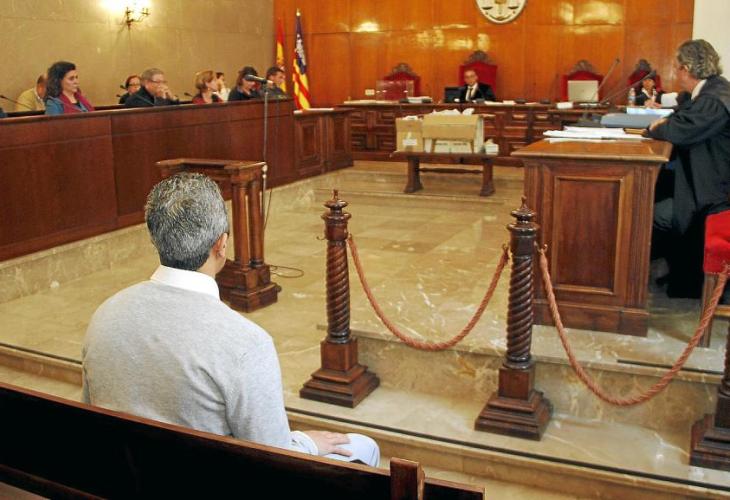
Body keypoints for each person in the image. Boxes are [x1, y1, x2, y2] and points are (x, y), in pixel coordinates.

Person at [82, 173, 380, 467]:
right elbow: (275, 460)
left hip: (118, 476)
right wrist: (307, 443)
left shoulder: (105, 315)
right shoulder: (245, 343)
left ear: (154, 238)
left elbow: (91, 414)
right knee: (364, 447)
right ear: (221, 245)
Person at [647, 39, 730, 297]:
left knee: (649, 213)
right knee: (656, 192)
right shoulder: (715, 90)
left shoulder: (713, 100)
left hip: (714, 196)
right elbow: (683, 114)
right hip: (709, 182)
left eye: (677, 68)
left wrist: (658, 126)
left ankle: (639, 278)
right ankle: (669, 267)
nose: (676, 73)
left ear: (687, 69)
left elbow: (676, 129)